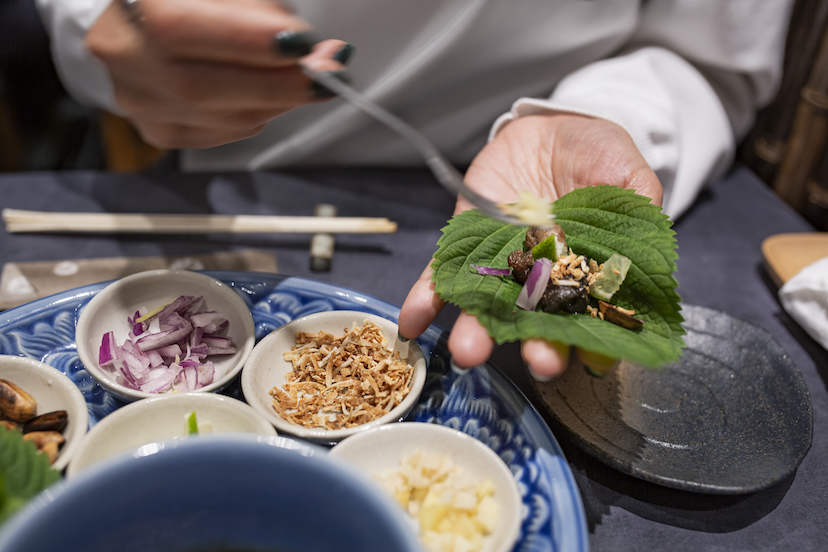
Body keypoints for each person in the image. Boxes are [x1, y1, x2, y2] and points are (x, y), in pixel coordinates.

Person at [36, 0, 794, 379]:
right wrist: (105, 25)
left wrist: (589, 120)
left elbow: (709, 58)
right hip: (235, 172)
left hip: (533, 148)